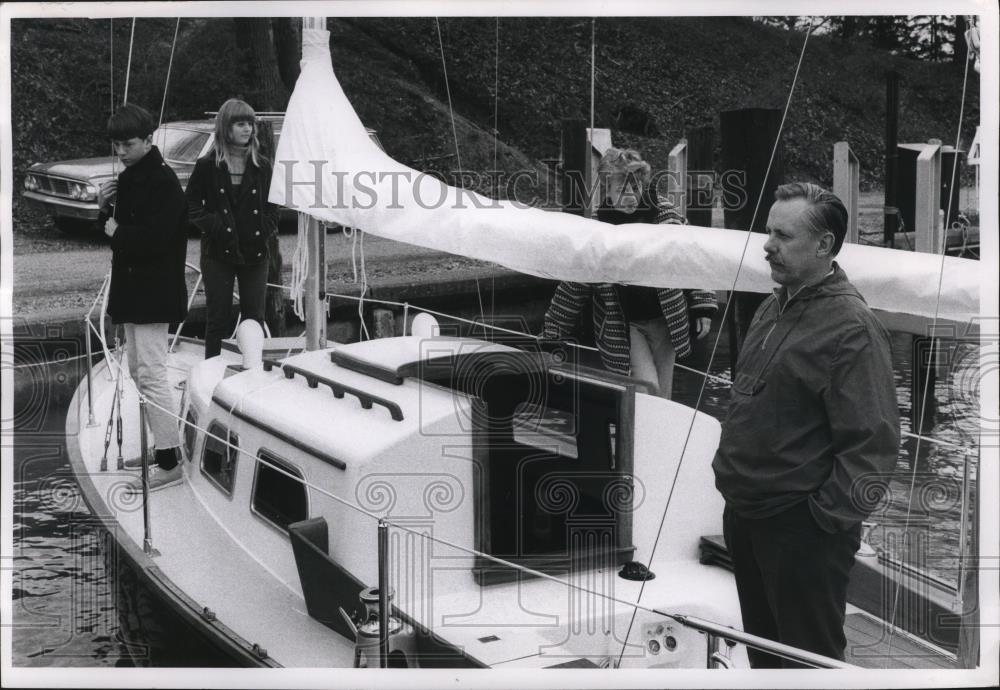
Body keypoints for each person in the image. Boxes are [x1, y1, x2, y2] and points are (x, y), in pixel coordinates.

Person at [711, 182, 900, 667]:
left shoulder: (851, 328)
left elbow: (872, 448)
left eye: (784, 235)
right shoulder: (774, 305)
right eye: (768, 232)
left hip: (800, 529)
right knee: (765, 652)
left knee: (807, 660)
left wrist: (820, 523)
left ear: (824, 246)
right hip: (748, 515)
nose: (768, 245)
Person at [542, 148, 717, 398]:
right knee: (647, 388)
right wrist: (553, 331)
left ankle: (652, 437)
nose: (629, 197)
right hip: (626, 325)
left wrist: (702, 305)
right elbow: (575, 283)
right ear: (607, 189)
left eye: (635, 189)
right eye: (622, 190)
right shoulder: (597, 228)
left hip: (666, 320)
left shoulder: (664, 215)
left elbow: (693, 256)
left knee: (663, 394)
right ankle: (636, 434)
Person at [104, 103, 188, 491]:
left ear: (148, 140)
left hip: (154, 291)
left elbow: (157, 239)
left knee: (152, 374)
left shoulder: (162, 180)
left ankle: (171, 462)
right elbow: (130, 227)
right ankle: (162, 447)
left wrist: (116, 231)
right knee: (139, 370)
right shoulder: (134, 175)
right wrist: (111, 215)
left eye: (128, 143)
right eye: (116, 145)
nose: (121, 151)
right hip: (138, 290)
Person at [186, 98, 279, 358]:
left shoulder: (263, 165)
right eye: (240, 123)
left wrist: (265, 227)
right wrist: (213, 225)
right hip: (218, 252)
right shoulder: (208, 165)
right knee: (217, 318)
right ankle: (211, 370)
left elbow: (274, 204)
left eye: (250, 123)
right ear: (226, 127)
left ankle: (253, 369)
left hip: (255, 252)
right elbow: (192, 204)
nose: (247, 129)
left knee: (254, 318)